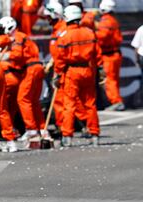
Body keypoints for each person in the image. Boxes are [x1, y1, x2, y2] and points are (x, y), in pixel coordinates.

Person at [54, 5, 102, 147]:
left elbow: (60, 58)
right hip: (87, 70)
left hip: (72, 72)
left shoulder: (65, 35)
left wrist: (57, 74)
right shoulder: (89, 32)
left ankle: (67, 136)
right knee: (90, 104)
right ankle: (94, 134)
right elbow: (97, 53)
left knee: (69, 104)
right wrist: (99, 69)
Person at [0, 17, 47, 142]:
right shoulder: (21, 36)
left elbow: (18, 54)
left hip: (30, 68)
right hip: (36, 66)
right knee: (34, 101)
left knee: (23, 99)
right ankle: (42, 128)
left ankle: (31, 130)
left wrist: (3, 57)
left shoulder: (17, 36)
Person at [44, 1, 88, 136]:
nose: (47, 20)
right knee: (59, 99)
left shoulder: (63, 29)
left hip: (65, 69)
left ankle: (85, 124)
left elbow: (63, 50)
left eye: (49, 17)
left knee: (70, 99)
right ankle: (62, 125)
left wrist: (57, 69)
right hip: (59, 66)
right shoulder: (57, 29)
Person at [96, 0, 125, 111]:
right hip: (115, 54)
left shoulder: (106, 21)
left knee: (109, 79)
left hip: (109, 55)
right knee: (114, 79)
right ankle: (117, 100)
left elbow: (102, 37)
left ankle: (116, 101)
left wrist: (92, 33)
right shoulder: (112, 20)